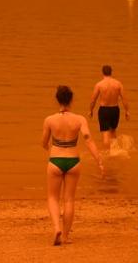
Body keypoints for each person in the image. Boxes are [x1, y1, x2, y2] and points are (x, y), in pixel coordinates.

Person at [42, 85, 104, 246]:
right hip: (73, 162)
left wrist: (48, 146)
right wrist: (98, 159)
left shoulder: (49, 120)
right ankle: (66, 236)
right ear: (71, 100)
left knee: (53, 198)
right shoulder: (79, 119)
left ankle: (57, 228)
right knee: (69, 199)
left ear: (57, 100)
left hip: (55, 160)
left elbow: (44, 142)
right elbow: (88, 139)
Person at [89, 65, 130, 148]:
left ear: (102, 72)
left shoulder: (99, 85)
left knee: (105, 133)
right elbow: (124, 99)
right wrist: (127, 111)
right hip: (115, 110)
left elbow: (93, 99)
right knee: (113, 132)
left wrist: (90, 110)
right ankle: (115, 151)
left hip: (104, 110)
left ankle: (106, 153)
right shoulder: (118, 84)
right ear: (111, 72)